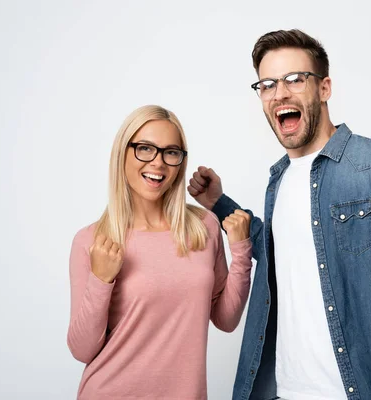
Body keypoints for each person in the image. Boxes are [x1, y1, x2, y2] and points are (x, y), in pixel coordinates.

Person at [188, 30, 371, 400]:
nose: (280, 93)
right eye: (267, 84)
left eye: (295, 79)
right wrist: (220, 204)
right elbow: (281, 250)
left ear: (324, 88)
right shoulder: (278, 180)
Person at [67, 105, 253, 399]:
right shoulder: (91, 240)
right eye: (145, 148)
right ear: (123, 153)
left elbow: (226, 320)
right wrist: (101, 280)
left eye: (171, 152)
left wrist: (241, 250)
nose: (158, 163)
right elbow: (81, 349)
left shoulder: (203, 226)